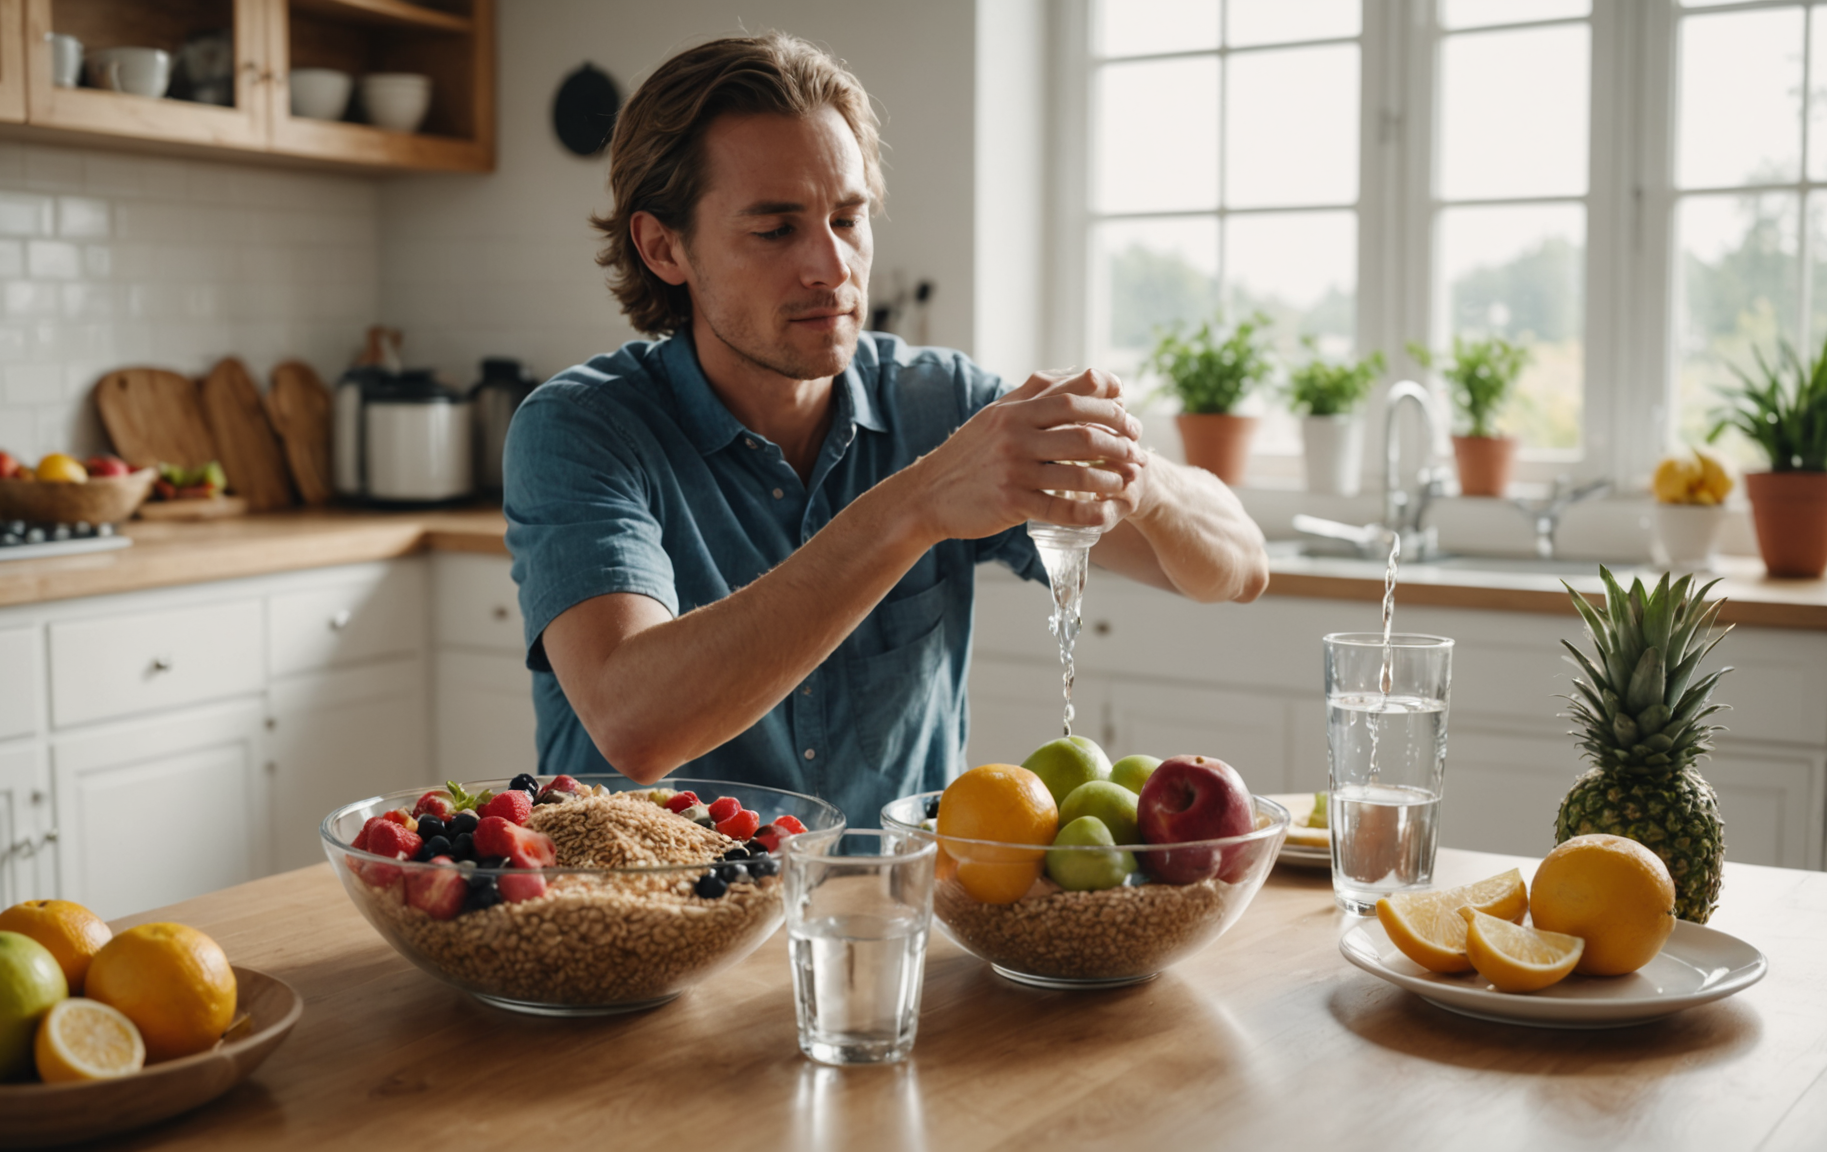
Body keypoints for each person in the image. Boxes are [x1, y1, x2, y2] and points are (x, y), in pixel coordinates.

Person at [505, 31, 1268, 824]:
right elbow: (636, 724)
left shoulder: (941, 404)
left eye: (847, 219)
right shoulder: (581, 428)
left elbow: (1238, 567)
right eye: (776, 230)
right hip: (653, 926)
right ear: (664, 247)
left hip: (886, 924)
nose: (831, 267)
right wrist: (916, 506)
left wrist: (1129, 468)